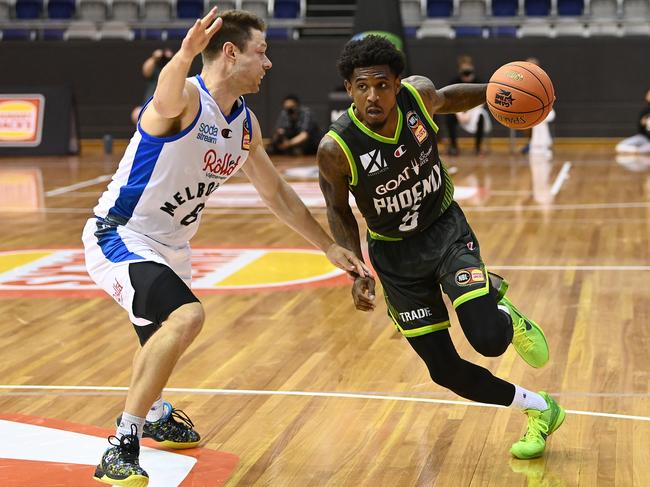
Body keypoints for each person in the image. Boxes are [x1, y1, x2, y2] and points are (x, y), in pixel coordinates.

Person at [83, 9, 368, 486]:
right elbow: (165, 92)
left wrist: (326, 246)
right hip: (120, 234)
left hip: (173, 245)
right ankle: (120, 446)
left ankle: (153, 413)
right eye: (262, 52)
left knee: (158, 337)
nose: (268, 63)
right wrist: (185, 53)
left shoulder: (246, 124)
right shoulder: (186, 99)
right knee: (187, 317)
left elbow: (276, 193)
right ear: (230, 53)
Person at [317, 35, 565, 461]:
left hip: (446, 231)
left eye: (381, 85)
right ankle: (541, 409)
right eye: (362, 86)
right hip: (396, 260)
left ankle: (505, 315)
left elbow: (453, 98)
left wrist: (497, 93)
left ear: (397, 83)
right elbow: (338, 210)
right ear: (349, 89)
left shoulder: (419, 97)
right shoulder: (334, 149)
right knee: (446, 372)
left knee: (487, 340)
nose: (372, 95)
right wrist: (356, 271)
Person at [444, 55, 486, 155]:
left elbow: (482, 101)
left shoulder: (478, 82)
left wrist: (470, 113)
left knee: (481, 118)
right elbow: (451, 100)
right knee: (449, 118)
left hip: (474, 111)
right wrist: (459, 114)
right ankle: (454, 146)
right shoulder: (454, 82)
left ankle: (477, 147)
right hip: (458, 111)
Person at [131, 48, 174, 125]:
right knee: (136, 113)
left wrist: (172, 59)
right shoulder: (154, 71)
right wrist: (154, 58)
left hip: (167, 107)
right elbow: (145, 71)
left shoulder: (172, 72)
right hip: (150, 106)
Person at [615, 88, 650, 154]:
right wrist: (642, 124)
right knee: (619, 146)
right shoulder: (645, 111)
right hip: (644, 138)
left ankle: (639, 151)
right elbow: (640, 129)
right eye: (649, 94)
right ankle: (636, 151)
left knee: (644, 149)